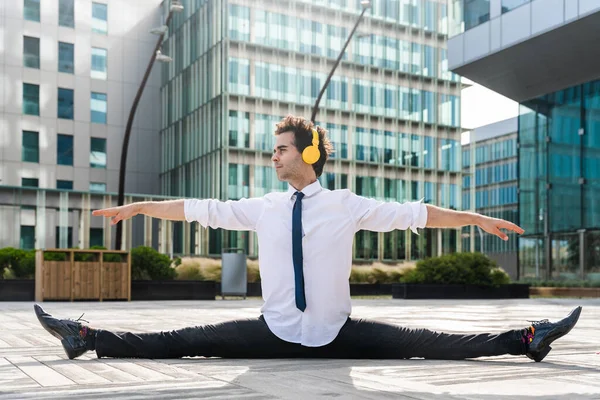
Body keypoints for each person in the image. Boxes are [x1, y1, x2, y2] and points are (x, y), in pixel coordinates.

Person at [35, 115, 581, 362]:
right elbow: (197, 208)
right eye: (273, 149)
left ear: (309, 154)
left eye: (281, 149)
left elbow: (414, 213)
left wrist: (472, 218)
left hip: (337, 331)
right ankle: (84, 337)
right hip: (272, 330)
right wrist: (138, 205)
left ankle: (526, 337)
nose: (273, 156)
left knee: (435, 344)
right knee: (178, 341)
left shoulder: (346, 205)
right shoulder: (264, 207)